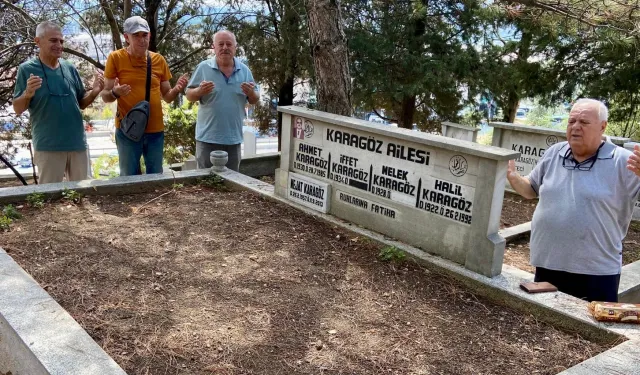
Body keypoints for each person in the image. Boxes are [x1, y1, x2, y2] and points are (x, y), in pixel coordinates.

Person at [507, 98, 640, 302]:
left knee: (591, 331)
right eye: (571, 121)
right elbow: (530, 190)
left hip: (596, 273)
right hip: (548, 263)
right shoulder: (555, 152)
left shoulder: (622, 161)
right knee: (546, 327)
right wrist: (514, 178)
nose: (576, 127)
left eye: (584, 122)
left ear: (602, 126)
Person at [12, 21, 104, 184]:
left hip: (77, 143)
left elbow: (81, 103)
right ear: (38, 41)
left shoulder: (69, 68)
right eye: (53, 40)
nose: (59, 45)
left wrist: (95, 91)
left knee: (82, 194)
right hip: (48, 145)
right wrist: (27, 94)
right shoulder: (26, 69)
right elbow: (18, 109)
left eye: (61, 41)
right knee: (50, 200)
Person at [101, 16, 188, 176]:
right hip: (128, 129)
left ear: (149, 36)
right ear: (126, 37)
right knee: (129, 178)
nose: (142, 40)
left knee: (155, 177)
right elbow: (106, 96)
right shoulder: (115, 58)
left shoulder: (158, 60)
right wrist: (115, 92)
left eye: (144, 35)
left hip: (155, 130)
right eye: (136, 35)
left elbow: (167, 97)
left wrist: (177, 88)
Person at [185, 30, 259, 171]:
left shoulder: (244, 71)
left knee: (231, 185)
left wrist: (251, 93)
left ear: (235, 47)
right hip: (207, 139)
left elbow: (254, 99)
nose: (225, 47)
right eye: (221, 44)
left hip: (233, 139)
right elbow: (189, 95)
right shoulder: (203, 68)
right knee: (205, 184)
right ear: (214, 47)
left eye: (229, 44)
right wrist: (199, 91)